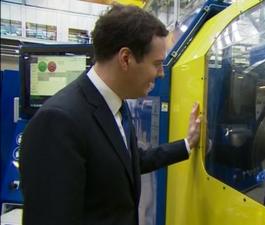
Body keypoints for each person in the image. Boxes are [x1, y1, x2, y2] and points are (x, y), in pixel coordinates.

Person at [19, 4, 201, 225]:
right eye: (157, 64)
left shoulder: (116, 105)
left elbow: (130, 161)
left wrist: (187, 143)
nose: (162, 73)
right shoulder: (58, 122)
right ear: (125, 59)